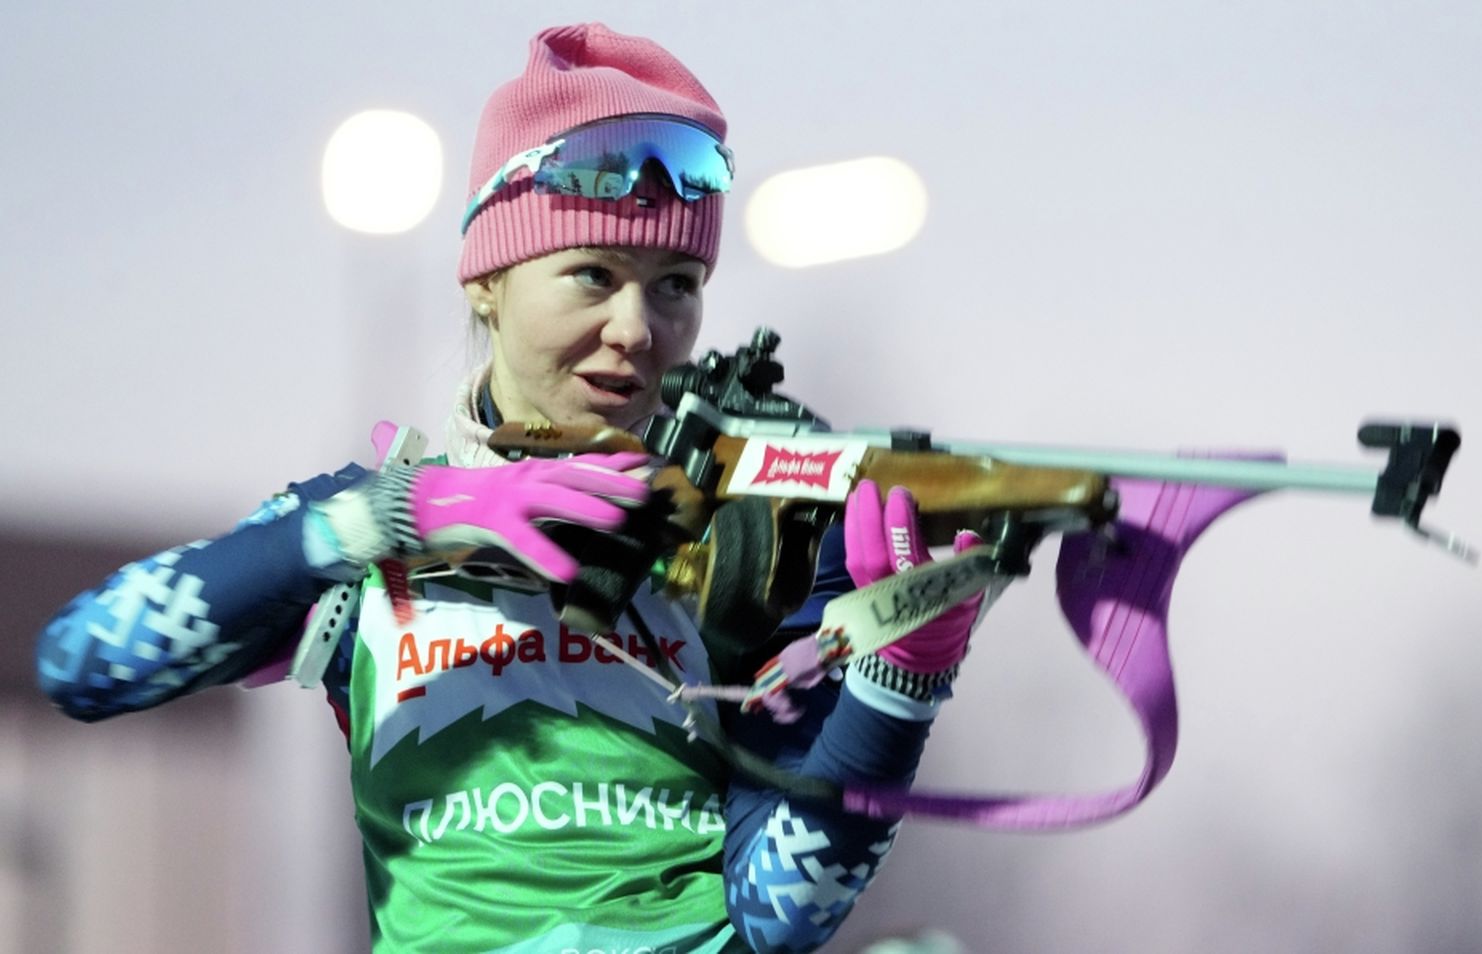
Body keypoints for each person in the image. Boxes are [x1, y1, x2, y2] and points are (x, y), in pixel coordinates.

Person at [35, 23, 984, 954]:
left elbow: (780, 914)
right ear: (487, 279)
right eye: (592, 274)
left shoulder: (746, 543)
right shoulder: (370, 536)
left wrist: (901, 685)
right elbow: (84, 662)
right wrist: (392, 517)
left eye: (675, 283)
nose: (636, 329)